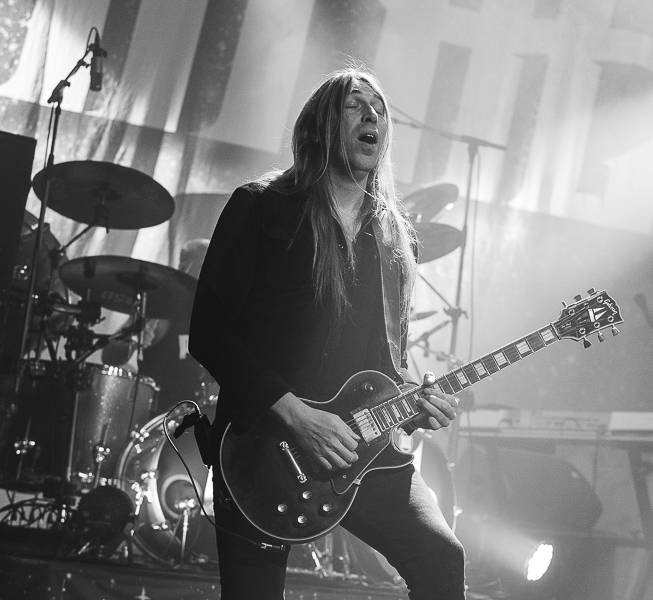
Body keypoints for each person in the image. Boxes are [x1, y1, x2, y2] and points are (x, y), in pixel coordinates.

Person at [189, 65, 465, 600]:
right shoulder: (261, 206)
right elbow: (209, 330)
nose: (372, 115)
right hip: (262, 447)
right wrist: (298, 415)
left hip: (362, 447)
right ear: (320, 125)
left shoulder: (395, 238)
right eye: (355, 105)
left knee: (441, 557)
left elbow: (383, 364)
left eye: (379, 110)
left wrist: (414, 404)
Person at [101, 239, 212, 413]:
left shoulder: (216, 314)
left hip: (201, 416)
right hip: (159, 417)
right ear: (185, 267)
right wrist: (133, 340)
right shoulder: (160, 307)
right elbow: (110, 356)